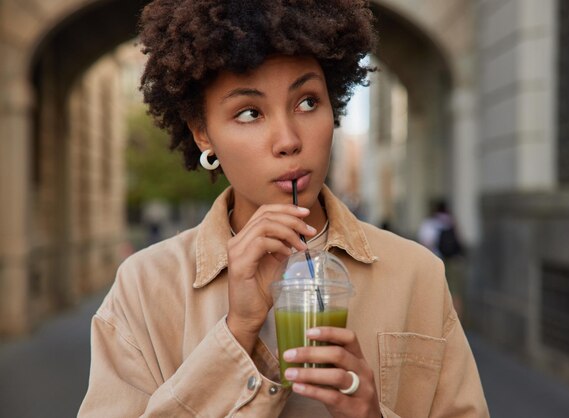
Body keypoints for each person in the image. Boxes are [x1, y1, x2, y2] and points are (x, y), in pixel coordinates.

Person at [79, 1, 489, 417]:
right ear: (203, 134)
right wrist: (237, 333)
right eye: (250, 113)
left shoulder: (416, 274)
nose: (289, 139)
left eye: (308, 102)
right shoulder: (145, 288)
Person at [418, 200, 466, 318]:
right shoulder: (451, 221)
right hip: (454, 261)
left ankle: (439, 320)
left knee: (437, 292)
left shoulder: (430, 223)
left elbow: (426, 243)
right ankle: (457, 322)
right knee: (455, 293)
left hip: (437, 261)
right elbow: (459, 241)